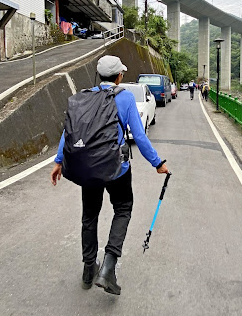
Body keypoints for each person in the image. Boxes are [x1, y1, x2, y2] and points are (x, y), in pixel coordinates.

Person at [50, 55, 169, 296]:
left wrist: (58, 161)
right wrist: (157, 163)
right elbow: (140, 137)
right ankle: (108, 267)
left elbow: (69, 131)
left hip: (89, 169)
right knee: (123, 208)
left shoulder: (85, 96)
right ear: (118, 76)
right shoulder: (124, 97)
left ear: (99, 75)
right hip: (117, 169)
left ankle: (88, 269)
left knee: (89, 216)